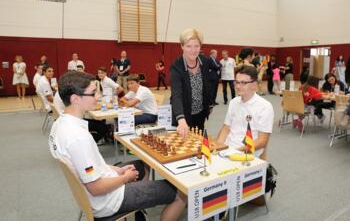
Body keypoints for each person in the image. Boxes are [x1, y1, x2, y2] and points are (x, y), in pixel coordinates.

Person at [49, 71, 186, 220]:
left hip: (97, 187)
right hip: (107, 200)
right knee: (182, 193)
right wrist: (125, 178)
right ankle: (138, 199)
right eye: (93, 93)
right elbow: (96, 188)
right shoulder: (77, 138)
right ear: (75, 99)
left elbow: (90, 165)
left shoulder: (59, 125)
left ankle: (140, 204)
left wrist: (118, 170)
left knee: (142, 165)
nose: (98, 97)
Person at [216, 65, 274, 158]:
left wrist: (235, 151)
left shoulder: (265, 106)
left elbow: (262, 141)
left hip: (247, 154)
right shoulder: (233, 102)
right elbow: (226, 128)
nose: (238, 86)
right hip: (227, 149)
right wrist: (218, 147)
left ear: (254, 84)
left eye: (243, 83)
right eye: (237, 82)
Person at [170, 28, 213, 137]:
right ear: (182, 46)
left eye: (196, 46)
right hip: (184, 114)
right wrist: (181, 119)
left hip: (200, 113)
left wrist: (209, 103)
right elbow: (176, 95)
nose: (193, 50)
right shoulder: (176, 67)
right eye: (189, 46)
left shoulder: (205, 61)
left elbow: (208, 83)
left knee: (199, 142)